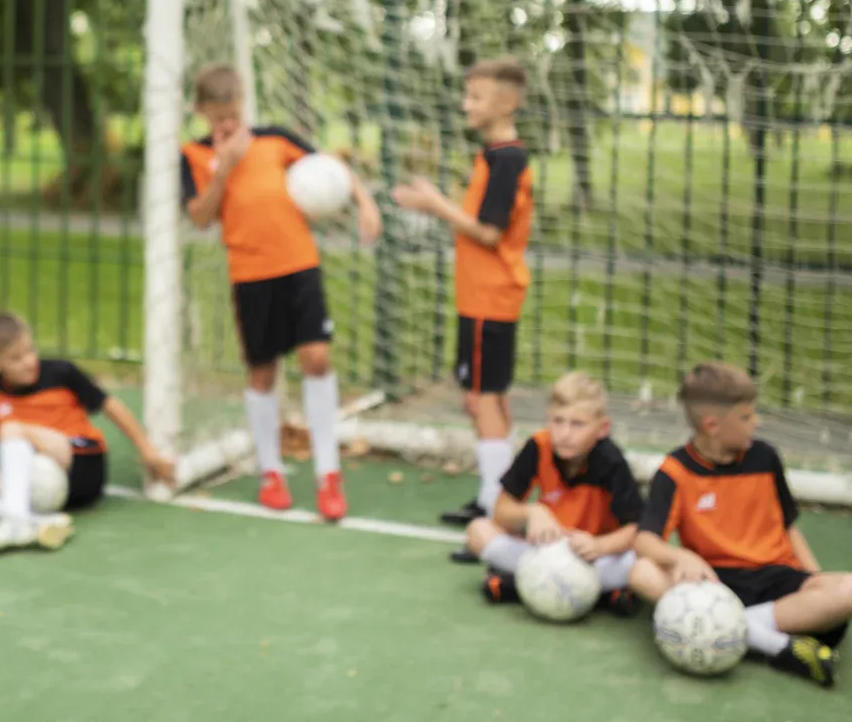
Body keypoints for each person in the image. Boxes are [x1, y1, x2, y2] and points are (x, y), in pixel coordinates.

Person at [179, 63, 382, 522]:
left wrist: (365, 203)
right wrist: (224, 169)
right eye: (219, 118)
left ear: (243, 103)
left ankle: (328, 473)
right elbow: (200, 217)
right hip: (250, 276)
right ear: (202, 112)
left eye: (234, 114)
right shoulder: (193, 154)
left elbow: (330, 169)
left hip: (299, 267)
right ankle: (272, 473)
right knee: (262, 372)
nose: (229, 125)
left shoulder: (274, 138)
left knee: (317, 360)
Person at [630, 363, 852, 689]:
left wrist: (814, 577)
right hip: (714, 583)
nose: (755, 423)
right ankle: (779, 646)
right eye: (745, 417)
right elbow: (645, 541)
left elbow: (789, 528)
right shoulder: (675, 472)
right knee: (642, 572)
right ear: (712, 425)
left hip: (777, 580)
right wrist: (683, 558)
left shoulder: (765, 458)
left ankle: (730, 633)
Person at [390, 55, 533, 533]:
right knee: (488, 396)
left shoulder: (508, 158)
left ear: (507, 102)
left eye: (475, 97)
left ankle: (495, 506)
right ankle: (502, 493)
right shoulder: (493, 156)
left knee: (481, 399)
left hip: (489, 297)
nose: (464, 104)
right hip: (482, 296)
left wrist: (435, 205)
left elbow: (490, 234)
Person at [0, 312, 177, 553]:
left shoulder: (62, 373)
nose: (28, 361)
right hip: (41, 471)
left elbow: (111, 406)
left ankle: (14, 523)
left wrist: (148, 452)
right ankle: (33, 524)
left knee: (13, 428)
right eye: (16, 358)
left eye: (30, 351)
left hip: (83, 463)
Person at [463, 372, 640, 615]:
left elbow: (638, 531)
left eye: (578, 424)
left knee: (641, 563)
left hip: (593, 558)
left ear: (602, 428)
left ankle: (517, 584)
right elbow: (500, 512)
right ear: (548, 419)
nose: (565, 433)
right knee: (477, 532)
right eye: (557, 421)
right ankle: (605, 595)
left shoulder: (611, 461)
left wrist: (600, 545)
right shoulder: (538, 446)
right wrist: (532, 512)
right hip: (546, 552)